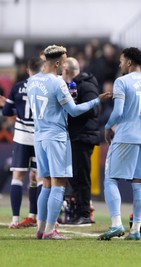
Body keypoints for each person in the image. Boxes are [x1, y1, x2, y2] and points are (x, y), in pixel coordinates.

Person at [27, 45, 111, 240]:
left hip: (39, 136)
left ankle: (40, 229)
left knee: (46, 183)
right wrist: (96, 101)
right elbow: (73, 111)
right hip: (56, 136)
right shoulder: (57, 83)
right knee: (58, 183)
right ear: (57, 63)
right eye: (63, 61)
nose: (65, 64)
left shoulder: (32, 81)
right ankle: (49, 231)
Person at [97, 47, 141, 241]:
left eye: (121, 61)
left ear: (128, 62)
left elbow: (118, 111)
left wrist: (109, 126)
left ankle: (116, 224)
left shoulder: (122, 82)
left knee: (110, 179)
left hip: (125, 136)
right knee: (138, 183)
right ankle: (135, 229)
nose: (119, 64)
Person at [1, 57, 44, 229]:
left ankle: (15, 219)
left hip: (21, 136)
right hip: (40, 136)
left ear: (27, 70)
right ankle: (39, 218)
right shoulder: (44, 88)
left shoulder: (18, 86)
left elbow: (5, 111)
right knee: (39, 178)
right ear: (42, 69)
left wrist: (13, 107)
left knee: (18, 177)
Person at [61, 57, 100, 225]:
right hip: (76, 136)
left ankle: (84, 213)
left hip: (83, 136)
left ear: (67, 70)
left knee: (81, 176)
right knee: (76, 177)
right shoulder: (75, 85)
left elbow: (95, 109)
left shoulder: (86, 85)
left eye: (62, 71)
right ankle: (78, 212)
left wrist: (73, 111)